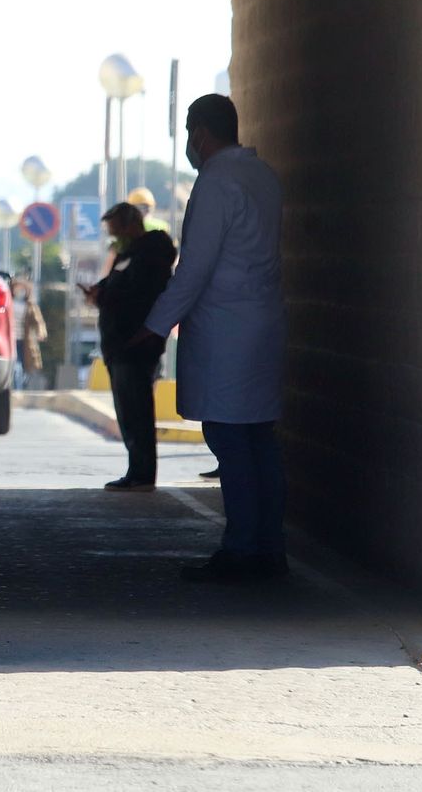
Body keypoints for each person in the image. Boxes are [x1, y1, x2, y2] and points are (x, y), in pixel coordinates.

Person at [133, 94, 285, 582]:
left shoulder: (217, 181)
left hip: (227, 329)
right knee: (260, 439)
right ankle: (269, 550)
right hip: (260, 322)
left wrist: (153, 327)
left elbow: (194, 269)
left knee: (228, 438)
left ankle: (242, 551)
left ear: (198, 134)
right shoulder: (263, 176)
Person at [84, 202, 175, 492]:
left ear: (130, 226)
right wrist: (99, 292)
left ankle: (142, 472)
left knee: (137, 411)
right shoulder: (129, 254)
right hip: (119, 346)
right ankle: (136, 469)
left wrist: (107, 297)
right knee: (127, 410)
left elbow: (137, 296)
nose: (113, 239)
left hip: (135, 345)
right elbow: (116, 285)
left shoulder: (150, 255)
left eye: (115, 232)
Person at [11, 277, 47, 390]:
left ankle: (19, 388)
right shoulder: (7, 302)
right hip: (11, 340)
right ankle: (17, 389)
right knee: (15, 367)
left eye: (23, 288)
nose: (20, 291)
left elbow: (38, 321)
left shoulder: (30, 305)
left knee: (24, 367)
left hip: (25, 342)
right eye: (18, 288)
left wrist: (40, 332)